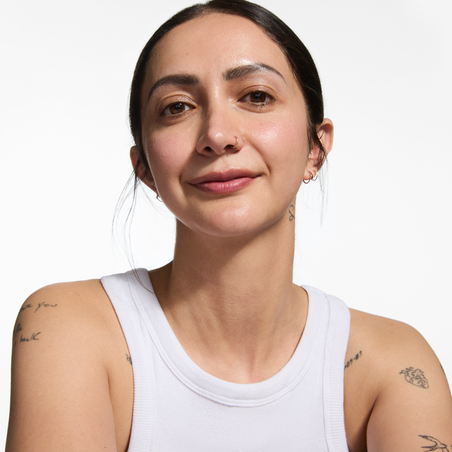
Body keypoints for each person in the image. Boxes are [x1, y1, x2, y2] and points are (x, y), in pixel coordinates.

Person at [6, 0, 452, 451]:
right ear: (145, 168)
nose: (217, 135)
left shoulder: (392, 365)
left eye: (256, 96)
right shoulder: (71, 330)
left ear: (315, 148)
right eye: (177, 107)